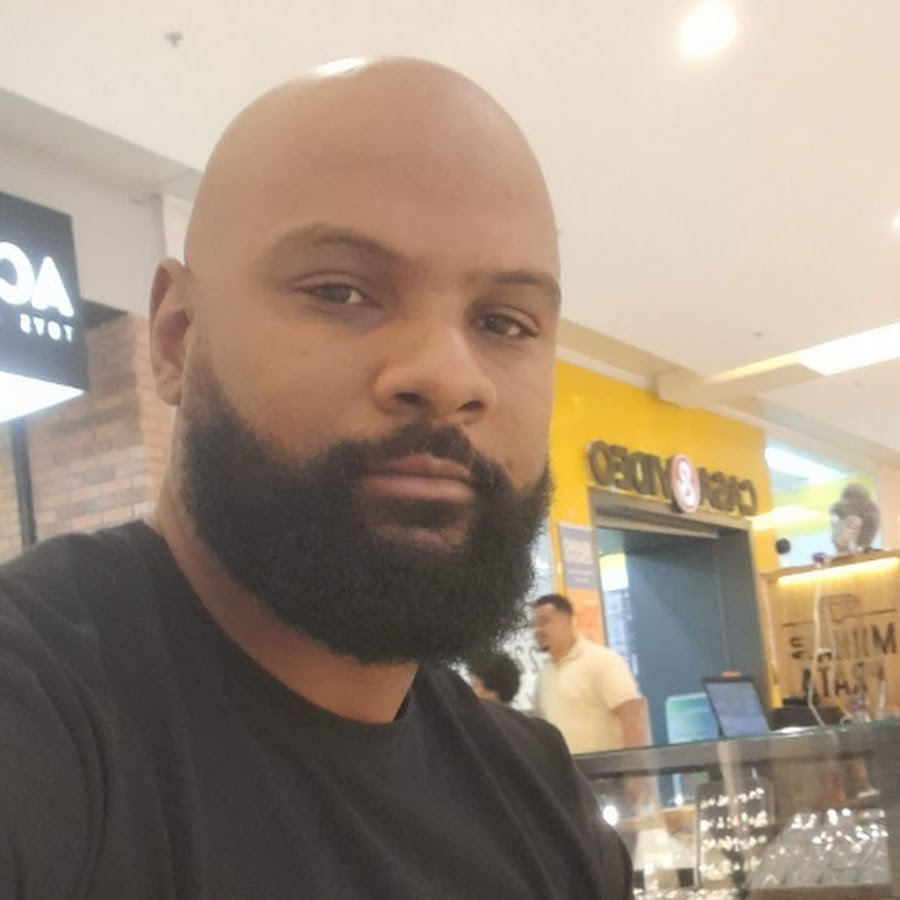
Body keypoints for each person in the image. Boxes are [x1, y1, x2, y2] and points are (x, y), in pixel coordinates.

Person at [0, 59, 632, 898]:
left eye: (503, 322)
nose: (448, 375)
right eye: (340, 291)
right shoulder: (39, 711)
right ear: (177, 336)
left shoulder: (541, 799)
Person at [533, 594, 649, 754]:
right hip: (565, 768)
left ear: (569, 622)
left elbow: (631, 713)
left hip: (607, 768)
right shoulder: (544, 675)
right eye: (534, 625)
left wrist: (635, 765)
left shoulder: (601, 660)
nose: (538, 631)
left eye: (544, 622)